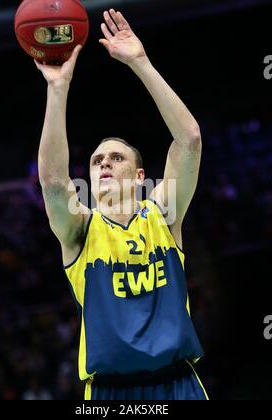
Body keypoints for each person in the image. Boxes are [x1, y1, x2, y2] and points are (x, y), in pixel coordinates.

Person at [35, 9, 208, 401]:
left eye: (116, 158)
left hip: (178, 384)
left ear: (138, 174)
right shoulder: (80, 230)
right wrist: (57, 88)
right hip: (110, 393)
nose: (104, 164)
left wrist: (140, 63)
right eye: (97, 161)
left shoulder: (163, 215)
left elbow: (190, 140)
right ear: (91, 180)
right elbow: (52, 181)